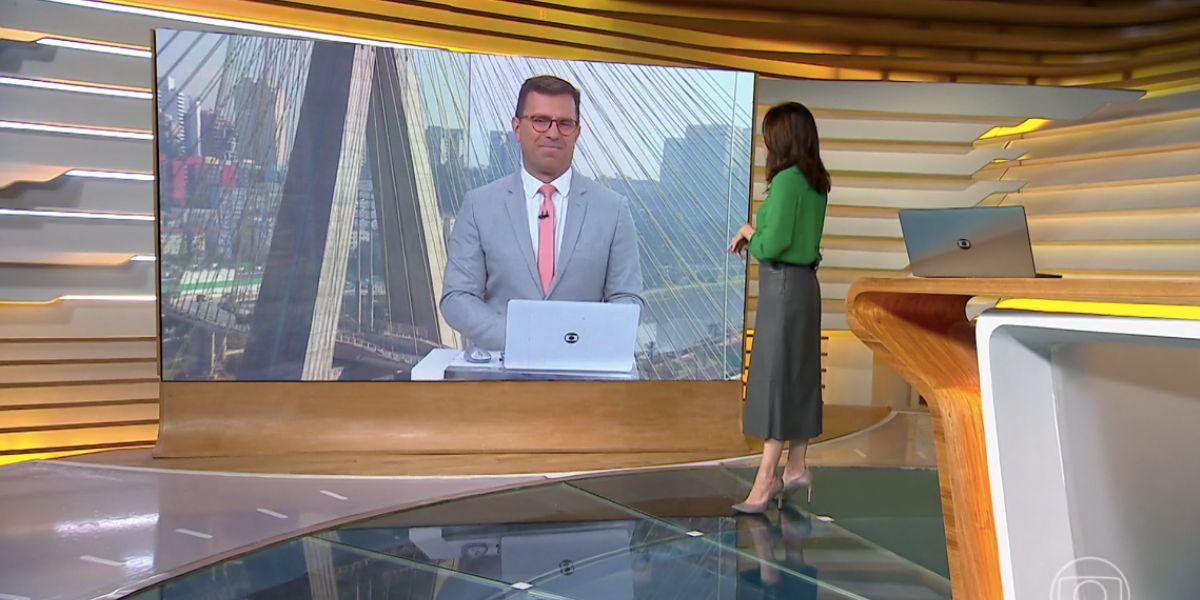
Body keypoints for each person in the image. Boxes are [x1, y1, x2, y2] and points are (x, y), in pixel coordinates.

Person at [440, 75, 644, 351]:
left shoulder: (613, 209)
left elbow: (627, 299)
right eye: (540, 120)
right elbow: (458, 297)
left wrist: (574, 340)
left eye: (564, 123)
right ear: (517, 128)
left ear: (577, 132)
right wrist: (522, 337)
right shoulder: (479, 205)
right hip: (501, 378)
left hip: (584, 377)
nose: (552, 132)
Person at [728, 102, 830, 513]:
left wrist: (749, 231)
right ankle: (797, 466)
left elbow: (773, 245)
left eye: (769, 136)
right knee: (799, 375)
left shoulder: (788, 182)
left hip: (783, 287)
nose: (765, 145)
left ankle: (765, 477)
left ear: (782, 139)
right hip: (804, 286)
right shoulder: (816, 182)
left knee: (773, 377)